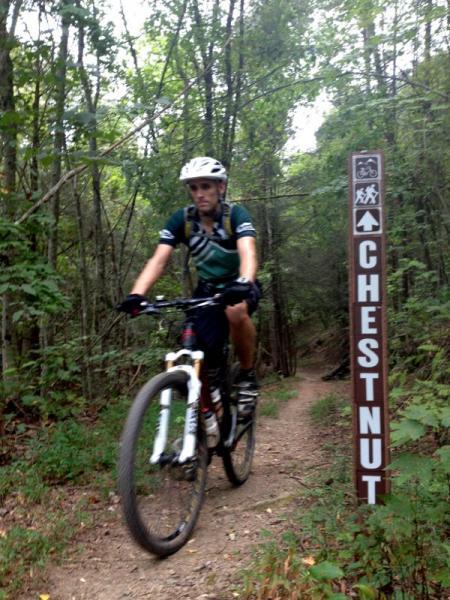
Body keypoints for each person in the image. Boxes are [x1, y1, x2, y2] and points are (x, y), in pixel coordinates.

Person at [118, 156, 261, 415]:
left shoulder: (235, 215)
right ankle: (206, 420)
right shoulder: (182, 220)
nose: (199, 194)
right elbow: (159, 260)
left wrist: (244, 282)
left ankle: (247, 377)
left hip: (237, 284)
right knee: (197, 350)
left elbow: (247, 251)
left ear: (221, 187)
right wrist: (136, 294)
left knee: (236, 311)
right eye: (194, 188)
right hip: (207, 289)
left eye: (206, 186)